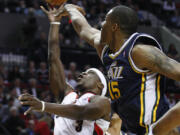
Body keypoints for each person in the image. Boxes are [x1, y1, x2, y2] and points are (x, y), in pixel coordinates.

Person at [62, 4, 180, 134]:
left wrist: (161, 127)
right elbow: (84, 29)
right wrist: (69, 8)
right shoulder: (106, 50)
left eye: (106, 20)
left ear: (114, 27)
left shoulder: (140, 52)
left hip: (152, 129)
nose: (101, 23)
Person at [19, 6, 112, 135]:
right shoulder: (67, 95)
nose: (83, 73)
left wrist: (43, 105)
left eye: (89, 74)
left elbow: (81, 112)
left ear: (100, 85)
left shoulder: (102, 102)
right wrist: (55, 22)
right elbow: (53, 58)